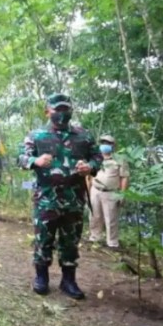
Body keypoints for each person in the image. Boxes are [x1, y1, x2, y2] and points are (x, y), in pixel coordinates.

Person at [20, 93, 102, 299]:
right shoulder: (36, 135)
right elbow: (20, 157)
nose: (62, 114)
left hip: (74, 198)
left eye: (66, 110)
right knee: (43, 238)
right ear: (48, 111)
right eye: (58, 110)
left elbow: (97, 157)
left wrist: (89, 167)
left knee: (70, 241)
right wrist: (35, 161)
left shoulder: (84, 135)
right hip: (46, 197)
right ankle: (41, 277)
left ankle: (69, 280)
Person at [87, 135, 129, 248]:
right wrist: (87, 190)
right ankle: (95, 237)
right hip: (95, 190)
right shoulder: (95, 158)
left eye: (108, 143)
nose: (105, 144)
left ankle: (112, 243)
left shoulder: (119, 159)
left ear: (113, 145)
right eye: (103, 142)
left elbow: (124, 177)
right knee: (94, 215)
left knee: (111, 219)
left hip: (111, 192)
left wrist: (122, 194)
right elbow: (89, 175)